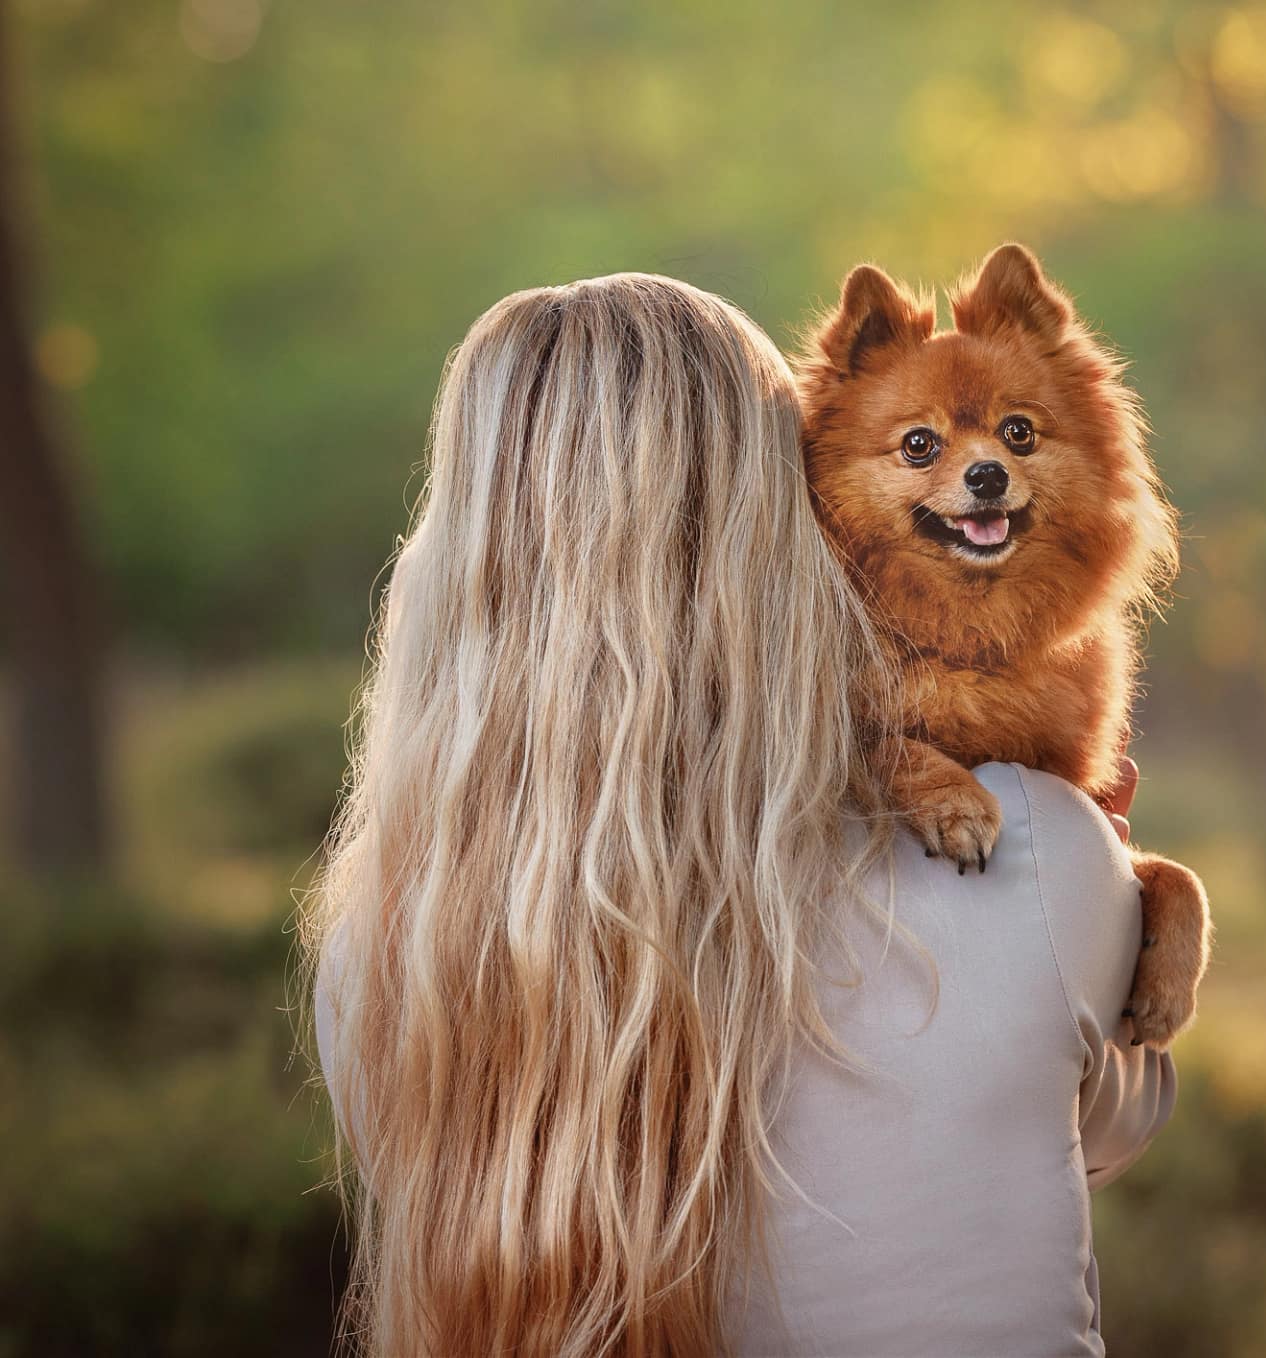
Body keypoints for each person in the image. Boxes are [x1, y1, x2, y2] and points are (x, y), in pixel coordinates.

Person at [302, 273, 1174, 1357]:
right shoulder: (1030, 858)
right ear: (790, 516)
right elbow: (1101, 1122)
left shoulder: (382, 958)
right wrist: (1100, 869)